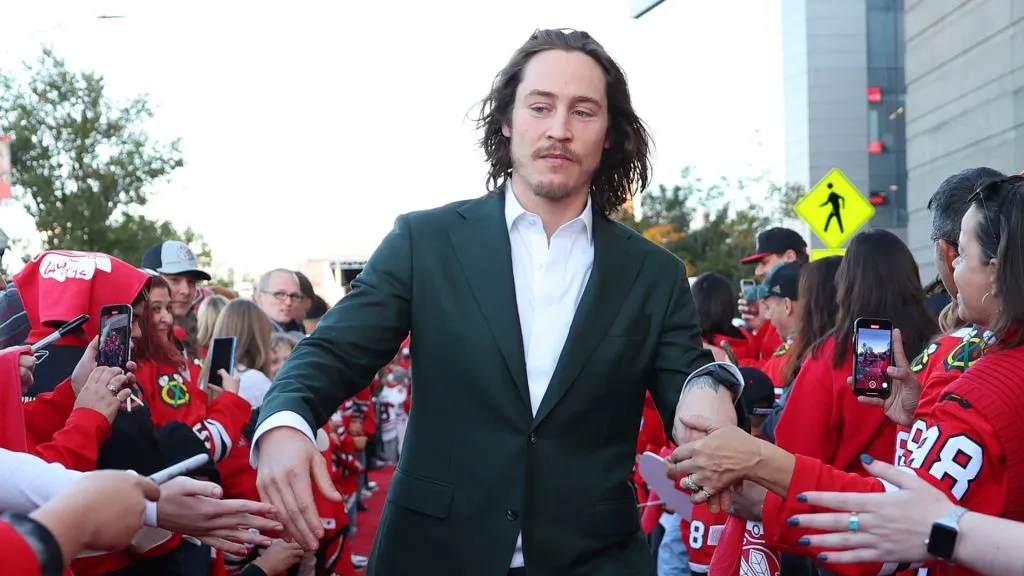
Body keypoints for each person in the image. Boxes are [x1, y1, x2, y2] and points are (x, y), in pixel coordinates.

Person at [253, 28, 742, 576]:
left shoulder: (655, 273)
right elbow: (334, 352)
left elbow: (691, 382)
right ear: (507, 120)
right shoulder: (425, 241)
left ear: (609, 133)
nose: (558, 130)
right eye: (541, 106)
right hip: (433, 554)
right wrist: (284, 422)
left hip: (594, 558)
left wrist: (715, 386)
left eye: (583, 111)